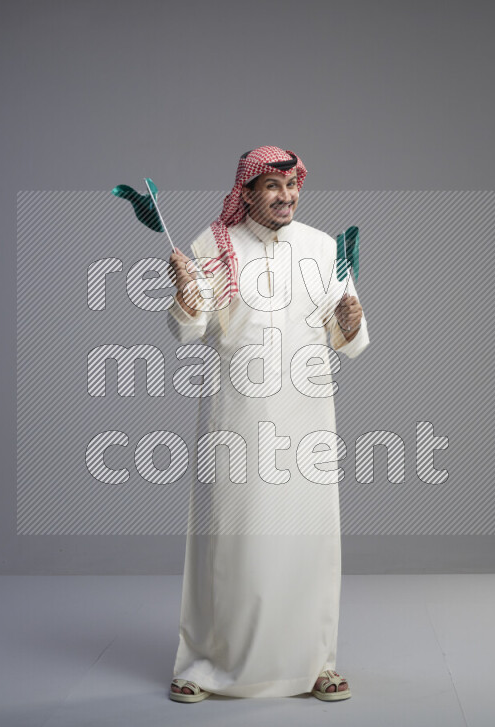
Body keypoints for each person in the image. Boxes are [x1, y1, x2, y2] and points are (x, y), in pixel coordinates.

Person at [165, 146, 369, 702]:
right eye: (273, 188)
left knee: (309, 538)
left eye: (293, 186)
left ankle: (317, 663)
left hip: (307, 415)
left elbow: (346, 333)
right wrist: (186, 293)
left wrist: (350, 322)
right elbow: (191, 328)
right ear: (248, 193)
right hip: (240, 412)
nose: (287, 197)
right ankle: (208, 663)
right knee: (236, 539)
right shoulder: (214, 245)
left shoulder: (323, 247)